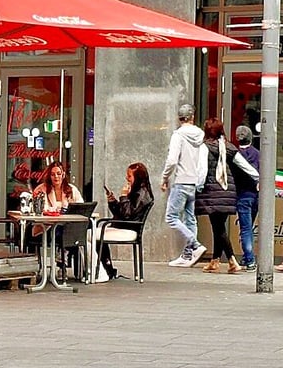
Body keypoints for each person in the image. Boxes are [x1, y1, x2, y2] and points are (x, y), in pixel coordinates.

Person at [195, 118, 258, 274]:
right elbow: (245, 166)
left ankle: (232, 261)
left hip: (212, 192)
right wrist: (258, 178)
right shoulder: (229, 147)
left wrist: (198, 187)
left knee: (218, 228)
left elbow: (202, 171)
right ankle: (215, 261)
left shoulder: (205, 147)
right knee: (218, 227)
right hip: (228, 192)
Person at [160, 103, 208, 267]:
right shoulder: (201, 135)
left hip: (181, 181)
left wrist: (165, 177)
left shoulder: (178, 135)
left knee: (171, 217)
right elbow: (202, 161)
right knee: (190, 219)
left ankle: (195, 245)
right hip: (193, 182)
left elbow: (172, 160)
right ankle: (188, 255)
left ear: (179, 118)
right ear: (192, 117)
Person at [100, 162, 155, 279]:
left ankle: (104, 269)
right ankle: (106, 268)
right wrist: (113, 202)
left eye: (129, 176)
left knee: (96, 234)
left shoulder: (141, 194)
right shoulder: (136, 191)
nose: (127, 178)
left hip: (129, 227)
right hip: (124, 224)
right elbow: (121, 213)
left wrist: (124, 196)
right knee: (94, 233)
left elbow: (127, 214)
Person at [234, 125, 260, 271]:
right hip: (255, 196)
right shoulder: (258, 154)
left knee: (245, 228)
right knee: (248, 228)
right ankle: (246, 257)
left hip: (242, 196)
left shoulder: (236, 156)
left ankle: (249, 259)